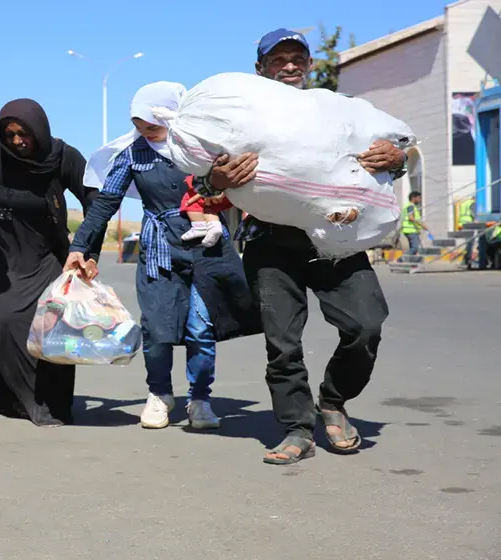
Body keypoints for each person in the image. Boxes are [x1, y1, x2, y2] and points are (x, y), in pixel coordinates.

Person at [192, 29, 407, 464]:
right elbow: (198, 177)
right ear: (260, 70)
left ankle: (333, 401)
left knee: (365, 325)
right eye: (278, 59)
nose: (289, 65)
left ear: (308, 65)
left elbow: (385, 160)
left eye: (297, 58)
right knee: (283, 343)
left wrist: (397, 158)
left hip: (337, 238)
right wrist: (216, 179)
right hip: (270, 243)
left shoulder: (333, 112)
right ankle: (296, 428)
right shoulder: (241, 117)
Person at [66, 82, 260, 431]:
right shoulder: (132, 155)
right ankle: (159, 394)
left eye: (151, 125)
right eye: (139, 126)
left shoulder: (202, 147)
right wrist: (80, 246)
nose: (144, 132)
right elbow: (105, 204)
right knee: (156, 329)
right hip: (159, 249)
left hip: (206, 244)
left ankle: (200, 399)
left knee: (201, 328)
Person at [0, 98, 102, 427]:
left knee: (49, 330)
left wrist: (87, 250)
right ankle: (12, 398)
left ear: (39, 129)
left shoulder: (62, 157)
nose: (16, 141)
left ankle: (49, 403)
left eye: (24, 134)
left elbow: (94, 201)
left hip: (46, 256)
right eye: (9, 134)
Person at [400, 191, 429, 260]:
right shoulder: (410, 206)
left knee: (414, 248)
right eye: (419, 198)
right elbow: (411, 218)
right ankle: (400, 260)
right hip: (411, 230)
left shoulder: (410, 206)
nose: (420, 200)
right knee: (415, 248)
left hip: (409, 230)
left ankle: (413, 263)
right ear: (413, 198)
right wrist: (422, 225)